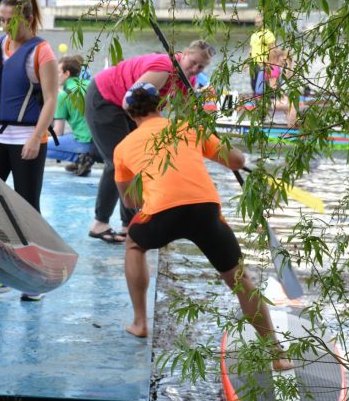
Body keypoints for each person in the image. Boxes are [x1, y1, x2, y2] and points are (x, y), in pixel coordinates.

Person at [113, 83, 293, 371]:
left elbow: (129, 199)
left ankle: (140, 322)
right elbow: (236, 160)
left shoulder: (122, 147)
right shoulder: (187, 127)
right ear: (161, 106)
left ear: (129, 113)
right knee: (240, 281)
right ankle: (277, 354)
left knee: (134, 244)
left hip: (161, 213)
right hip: (205, 210)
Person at [84, 40, 215, 244]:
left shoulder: (188, 80)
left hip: (128, 106)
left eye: (201, 67)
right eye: (193, 62)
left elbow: (184, 116)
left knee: (139, 161)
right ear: (185, 53)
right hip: (106, 98)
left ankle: (129, 224)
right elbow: (131, 100)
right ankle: (99, 223)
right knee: (118, 161)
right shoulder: (164, 68)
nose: (195, 69)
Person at [0, 0, 58, 301]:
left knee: (27, 207)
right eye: (2, 19)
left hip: (26, 138)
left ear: (29, 19)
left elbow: (51, 99)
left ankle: (32, 275)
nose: (5, 26)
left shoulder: (42, 52)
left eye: (12, 20)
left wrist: (36, 137)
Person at [46, 54, 98, 177]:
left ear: (67, 74)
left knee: (39, 144)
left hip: (85, 143)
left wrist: (37, 133)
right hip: (101, 143)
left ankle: (81, 157)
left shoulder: (63, 96)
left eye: (58, 72)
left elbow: (57, 132)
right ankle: (81, 159)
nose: (55, 76)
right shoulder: (91, 84)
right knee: (72, 135)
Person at [249, 15, 276, 97]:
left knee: (262, 84)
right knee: (253, 84)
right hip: (253, 63)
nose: (257, 24)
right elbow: (251, 50)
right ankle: (256, 103)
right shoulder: (254, 35)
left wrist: (270, 63)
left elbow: (273, 49)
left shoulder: (268, 34)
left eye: (259, 22)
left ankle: (269, 101)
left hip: (263, 63)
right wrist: (246, 63)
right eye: (256, 22)